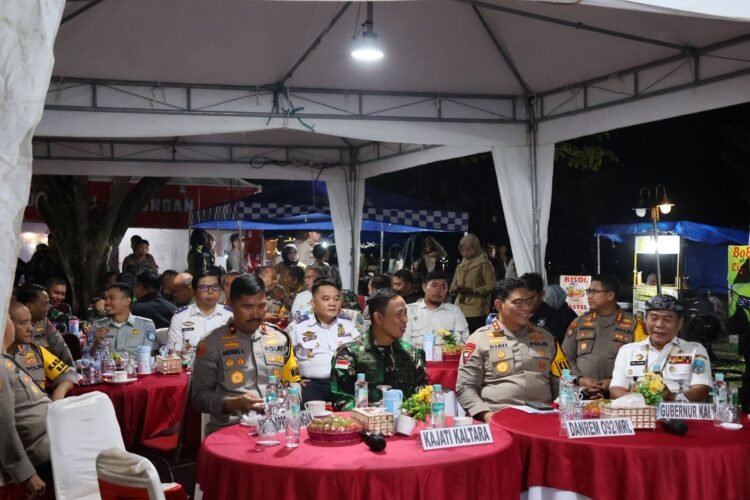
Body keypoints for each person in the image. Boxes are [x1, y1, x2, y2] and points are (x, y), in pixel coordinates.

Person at [191, 274, 300, 434]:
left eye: (262, 306)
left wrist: (290, 399)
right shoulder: (211, 343)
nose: (256, 314)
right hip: (230, 429)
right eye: (247, 307)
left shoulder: (280, 338)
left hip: (277, 426)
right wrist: (232, 403)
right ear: (231, 304)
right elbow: (199, 398)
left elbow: (294, 382)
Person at [456, 279, 570, 422]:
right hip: (498, 415)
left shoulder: (546, 337)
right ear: (499, 305)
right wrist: (487, 416)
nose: (526, 308)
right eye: (518, 302)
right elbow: (465, 387)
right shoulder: (479, 339)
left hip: (543, 415)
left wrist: (563, 409)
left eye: (528, 301)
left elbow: (562, 381)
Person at [331, 288, 427, 410]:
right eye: (399, 314)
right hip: (365, 420)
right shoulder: (349, 353)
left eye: (405, 313)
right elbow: (341, 399)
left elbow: (422, 394)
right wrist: (371, 413)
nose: (405, 319)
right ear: (379, 318)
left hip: (405, 419)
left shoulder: (410, 353)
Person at [610, 295, 711, 402]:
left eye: (667, 319)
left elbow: (701, 389)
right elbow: (616, 389)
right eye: (654, 318)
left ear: (680, 323)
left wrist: (672, 398)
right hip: (638, 410)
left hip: (677, 410)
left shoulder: (695, 350)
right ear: (645, 320)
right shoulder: (627, 351)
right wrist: (640, 399)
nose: (659, 325)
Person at [563, 275, 647, 399]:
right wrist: (579, 379)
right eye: (589, 291)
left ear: (610, 295)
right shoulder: (580, 322)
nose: (589, 296)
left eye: (594, 292)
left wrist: (616, 383)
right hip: (581, 395)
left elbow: (642, 362)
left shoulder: (634, 324)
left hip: (618, 397)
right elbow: (565, 357)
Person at [0, 316, 52, 498]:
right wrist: (27, 474)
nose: (30, 328)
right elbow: (4, 426)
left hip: (52, 439)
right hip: (40, 452)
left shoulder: (7, 359)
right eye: (7, 317)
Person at [287, 277, 361, 403]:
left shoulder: (350, 325)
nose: (332, 303)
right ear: (313, 303)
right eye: (326, 299)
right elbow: (283, 355)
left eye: (336, 299)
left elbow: (362, 353)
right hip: (313, 384)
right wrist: (293, 378)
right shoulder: (298, 326)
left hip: (344, 383)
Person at [8, 302, 77, 401]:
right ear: (6, 325)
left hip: (47, 406)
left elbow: (67, 372)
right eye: (23, 323)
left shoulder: (34, 349)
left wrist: (59, 392)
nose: (30, 328)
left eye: (30, 322)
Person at [84, 282, 158, 356]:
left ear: (127, 301)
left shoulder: (145, 325)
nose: (106, 302)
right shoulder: (97, 325)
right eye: (106, 298)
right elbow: (86, 357)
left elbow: (151, 357)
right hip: (106, 363)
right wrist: (96, 343)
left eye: (111, 298)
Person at [168, 271, 233, 355]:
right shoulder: (180, 317)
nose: (210, 291)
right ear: (194, 292)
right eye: (204, 287)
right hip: (190, 363)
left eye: (215, 287)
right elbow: (174, 355)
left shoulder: (230, 315)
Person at [404, 271, 470, 347]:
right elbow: (404, 340)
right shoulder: (409, 310)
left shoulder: (454, 311)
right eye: (434, 286)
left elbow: (463, 340)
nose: (438, 290)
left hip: (448, 354)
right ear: (424, 287)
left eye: (443, 287)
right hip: (416, 353)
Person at [16, 285, 74, 366]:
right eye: (45, 304)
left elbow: (61, 348)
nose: (49, 307)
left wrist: (71, 370)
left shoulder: (44, 322)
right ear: (29, 306)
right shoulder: (13, 327)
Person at [450, 234, 496, 333]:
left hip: (477, 310)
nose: (465, 253)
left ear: (475, 248)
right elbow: (453, 283)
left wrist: (473, 290)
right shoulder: (461, 265)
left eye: (468, 250)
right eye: (462, 251)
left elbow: (492, 286)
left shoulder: (484, 264)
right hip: (459, 308)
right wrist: (455, 289)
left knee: (474, 337)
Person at [521, 272, 569, 344]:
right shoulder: (515, 314)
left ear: (542, 294)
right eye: (522, 298)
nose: (526, 302)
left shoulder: (553, 317)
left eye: (531, 298)